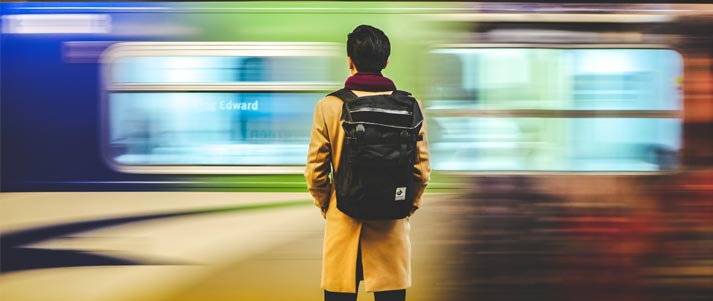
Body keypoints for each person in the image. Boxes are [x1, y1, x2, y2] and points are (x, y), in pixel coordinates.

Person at [305, 25, 431, 301]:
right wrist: (407, 205)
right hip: (390, 227)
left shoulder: (329, 106)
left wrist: (328, 205)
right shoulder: (411, 106)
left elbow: (315, 173)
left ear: (350, 61)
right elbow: (421, 172)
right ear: (386, 62)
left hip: (344, 223)